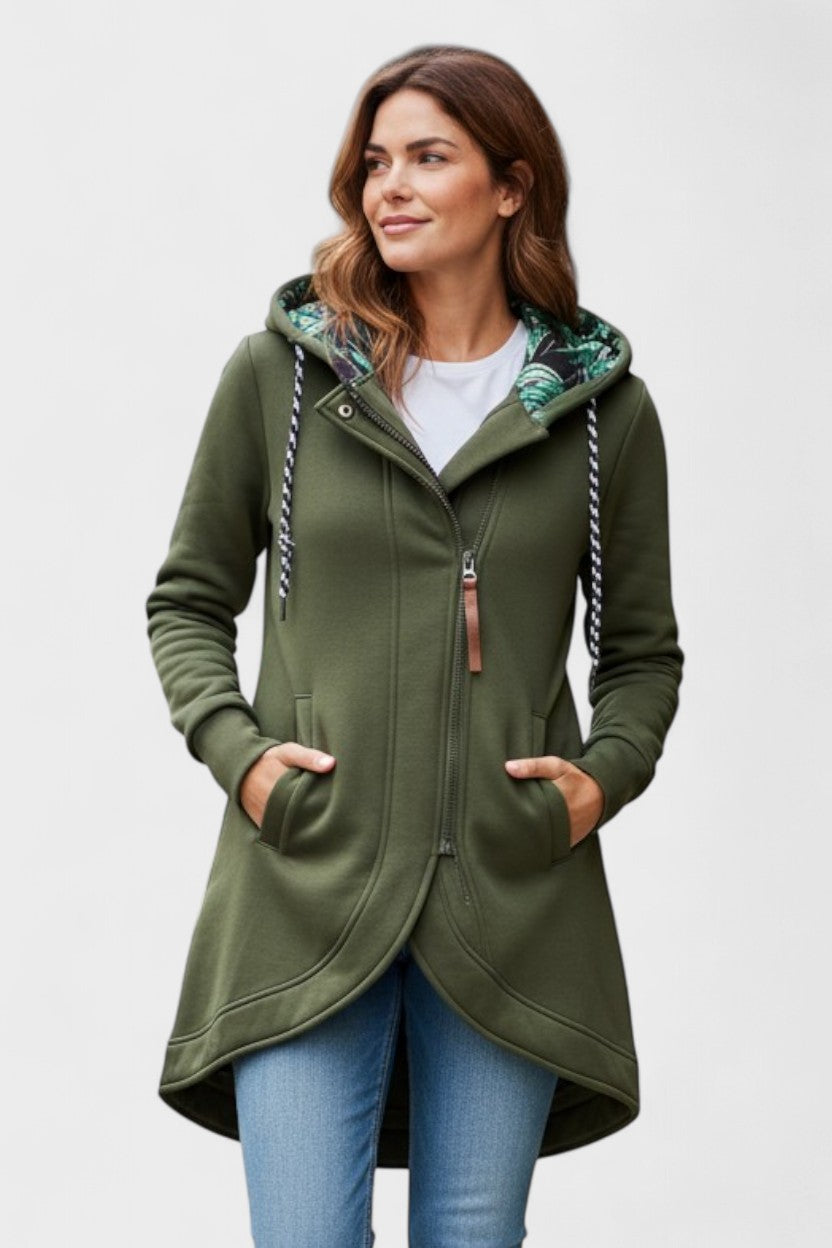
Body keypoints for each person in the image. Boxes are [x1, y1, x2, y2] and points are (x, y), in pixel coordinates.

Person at [145, 43, 684, 1248]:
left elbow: (642, 652)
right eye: (374, 161)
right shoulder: (283, 380)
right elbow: (186, 599)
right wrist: (244, 760)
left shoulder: (600, 411)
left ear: (511, 186)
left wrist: (596, 782)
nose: (389, 185)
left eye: (427, 157)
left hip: (511, 893)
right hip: (305, 880)